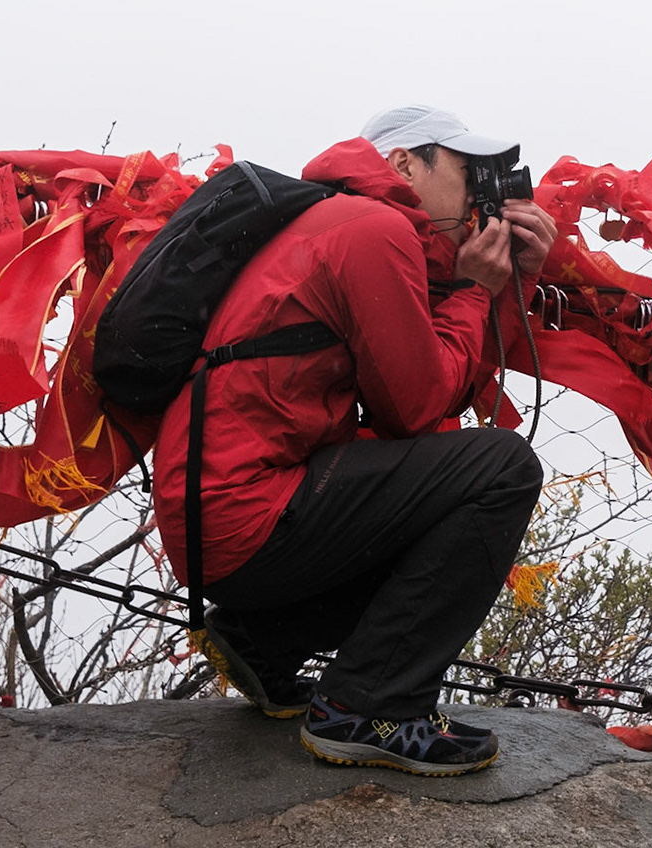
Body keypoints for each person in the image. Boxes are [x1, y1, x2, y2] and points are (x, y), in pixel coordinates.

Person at [152, 105, 556, 776]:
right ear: (404, 164)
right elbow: (416, 410)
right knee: (503, 469)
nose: (478, 191)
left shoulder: (341, 219)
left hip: (214, 514)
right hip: (245, 512)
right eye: (467, 170)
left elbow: (441, 391)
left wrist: (508, 282)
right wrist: (471, 291)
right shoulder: (373, 229)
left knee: (447, 485)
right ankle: (370, 708)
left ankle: (266, 639)